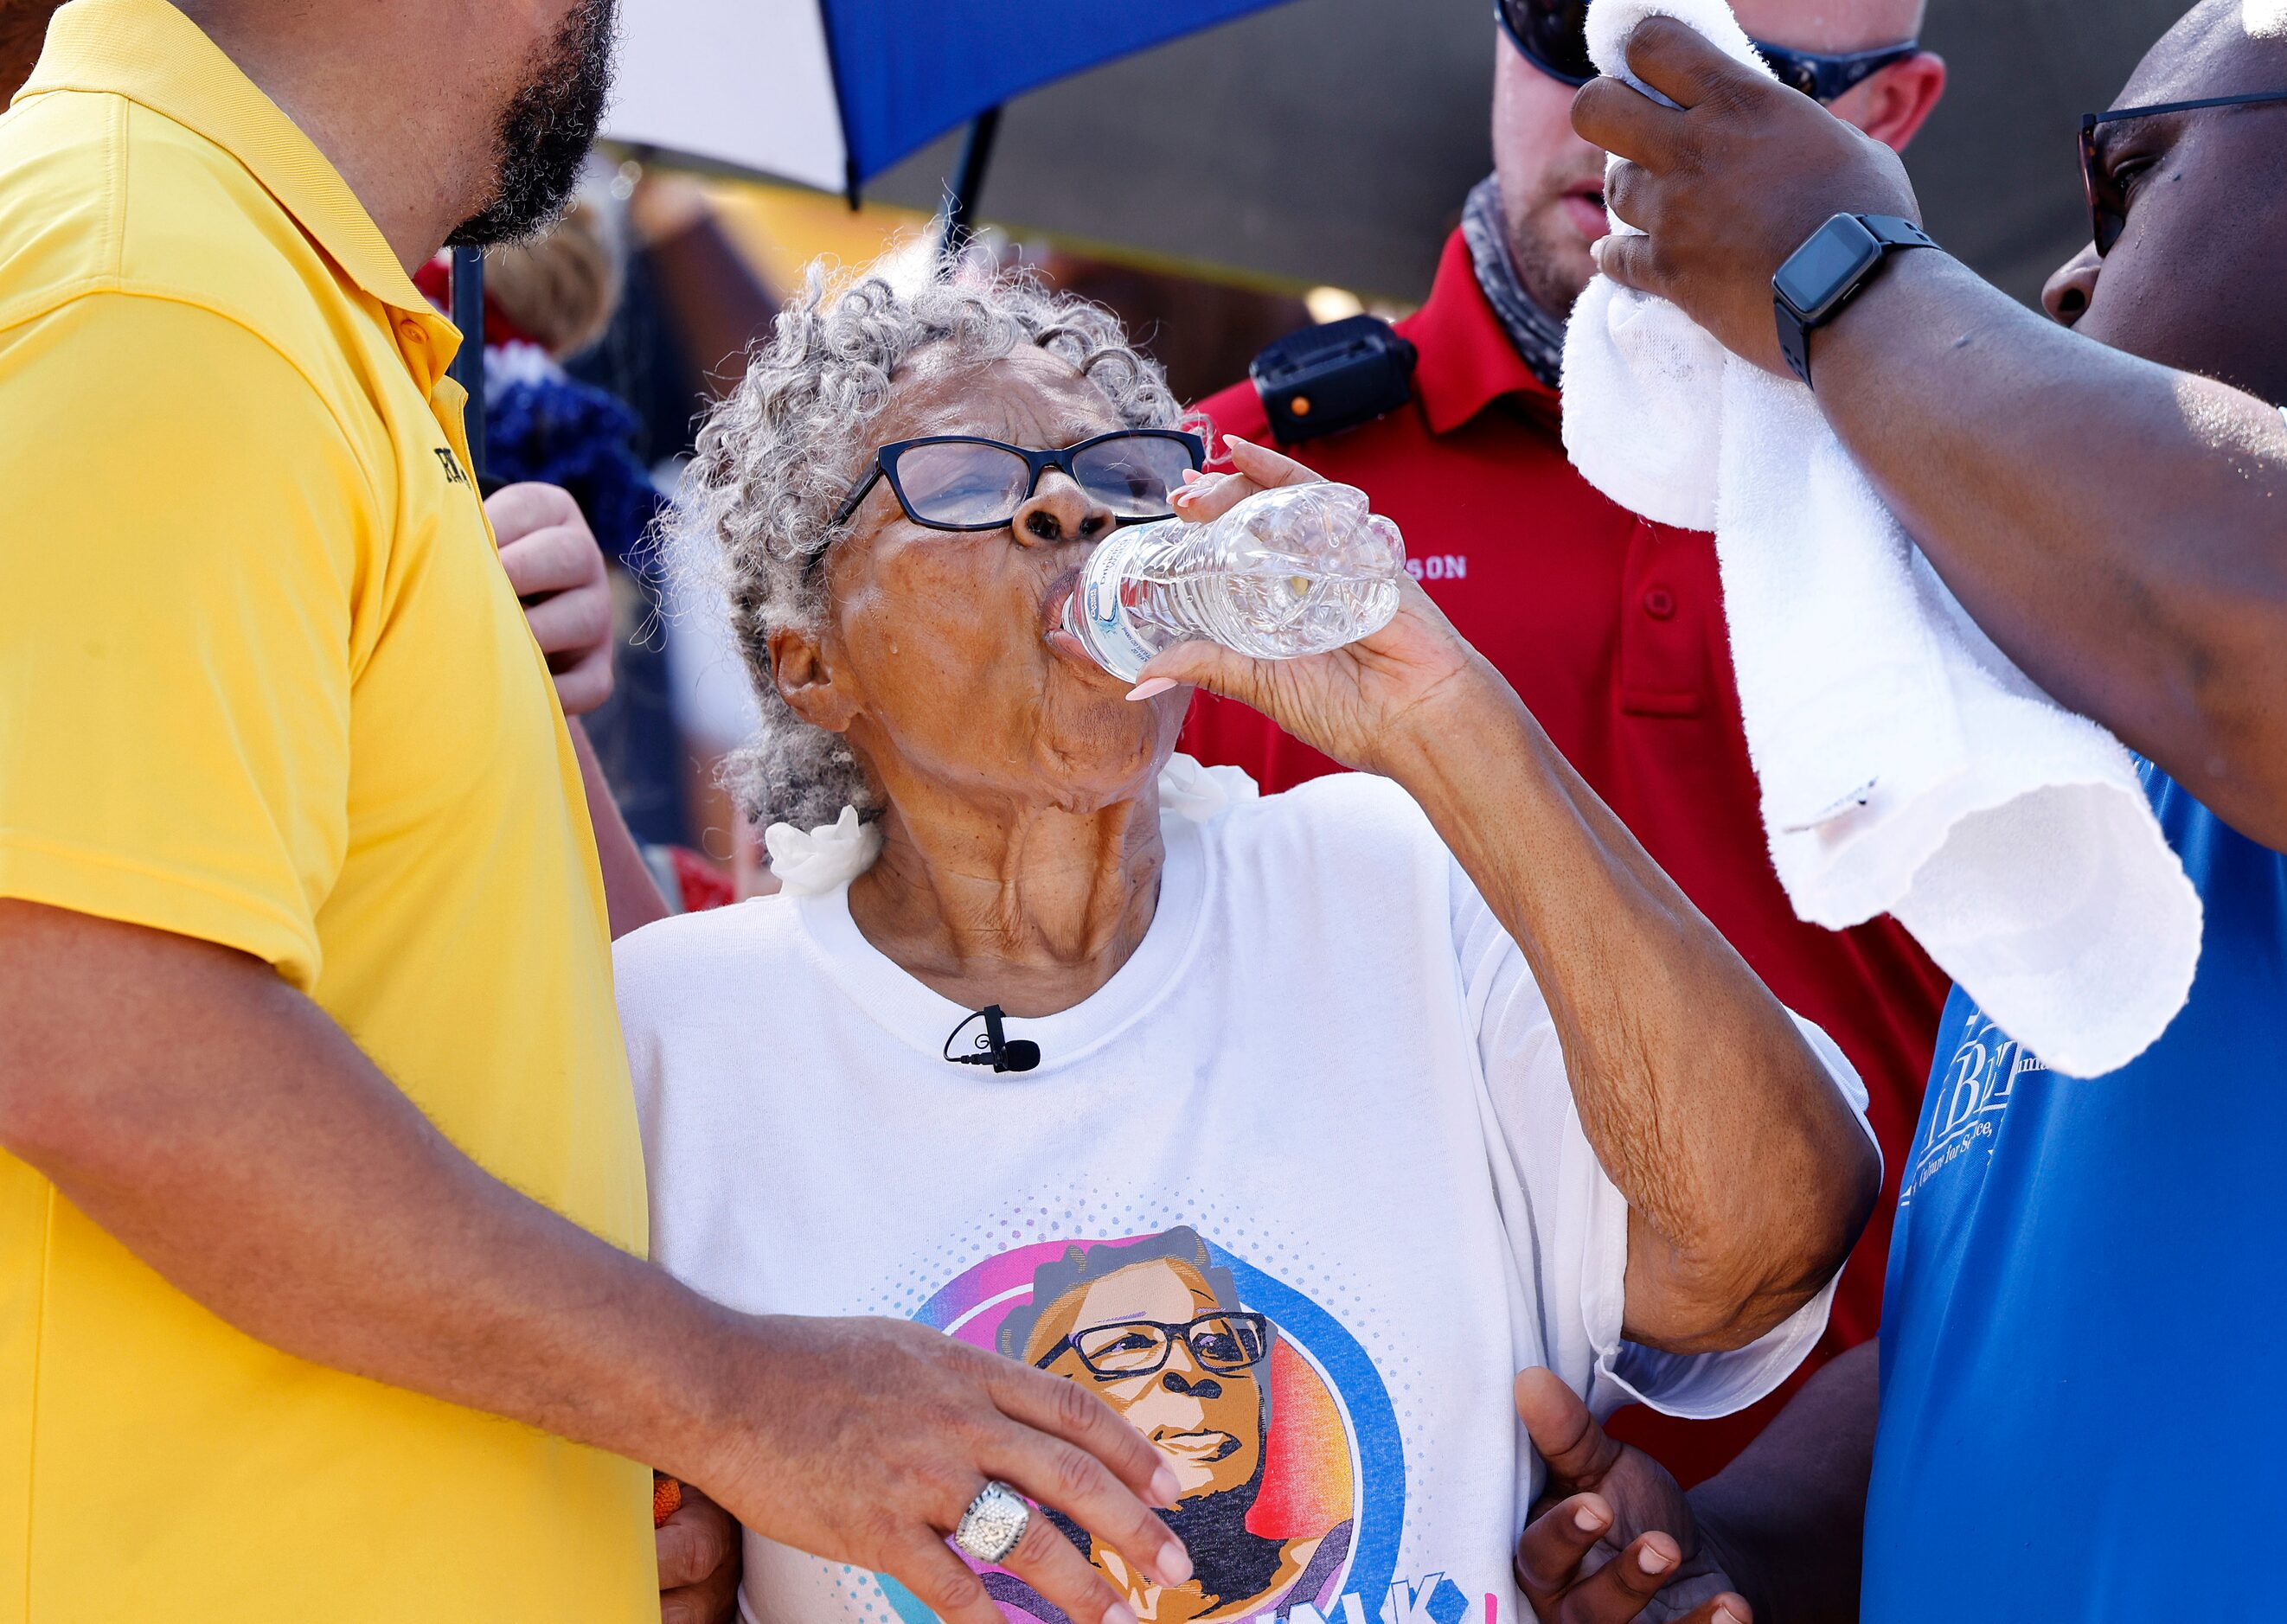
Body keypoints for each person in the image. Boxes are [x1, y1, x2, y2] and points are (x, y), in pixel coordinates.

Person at [0, 2, 1195, 1620]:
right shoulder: (161, 280)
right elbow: (99, 1045)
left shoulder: (267, 302)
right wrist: (742, 1398)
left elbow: (501, 1034)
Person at [615, 258, 1883, 1624]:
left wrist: (1442, 717)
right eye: (970, 482)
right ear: (813, 663)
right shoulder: (677, 1034)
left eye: (1119, 469)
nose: (1068, 504)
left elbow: (1771, 1236)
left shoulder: (1388, 876)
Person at [1503, 3, 2287, 1620]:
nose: (2068, 281)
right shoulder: (2108, 751)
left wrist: (1844, 269)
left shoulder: (2230, 664)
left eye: (2130, 185)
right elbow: (2014, 1304)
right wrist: (1737, 1541)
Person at [1182, 0, 1951, 1487]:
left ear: (1889, 115)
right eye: (1566, 25)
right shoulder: (1232, 502)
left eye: (1739, 73)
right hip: (1355, 1525)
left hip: (1890, 1527)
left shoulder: (2011, 512)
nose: (1616, 116)